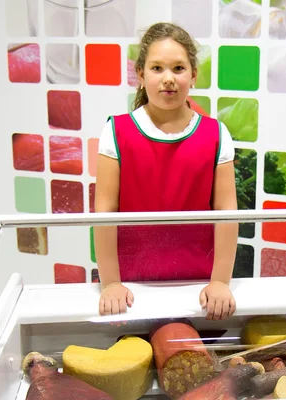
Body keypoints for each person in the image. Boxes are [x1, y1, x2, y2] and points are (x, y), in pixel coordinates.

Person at [93, 22, 239, 321]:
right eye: (157, 68)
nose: (168, 79)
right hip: (130, 289)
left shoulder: (216, 133)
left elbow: (227, 212)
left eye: (178, 68)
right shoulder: (116, 131)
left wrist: (221, 281)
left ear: (194, 75)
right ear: (141, 75)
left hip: (200, 289)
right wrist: (110, 283)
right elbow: (104, 212)